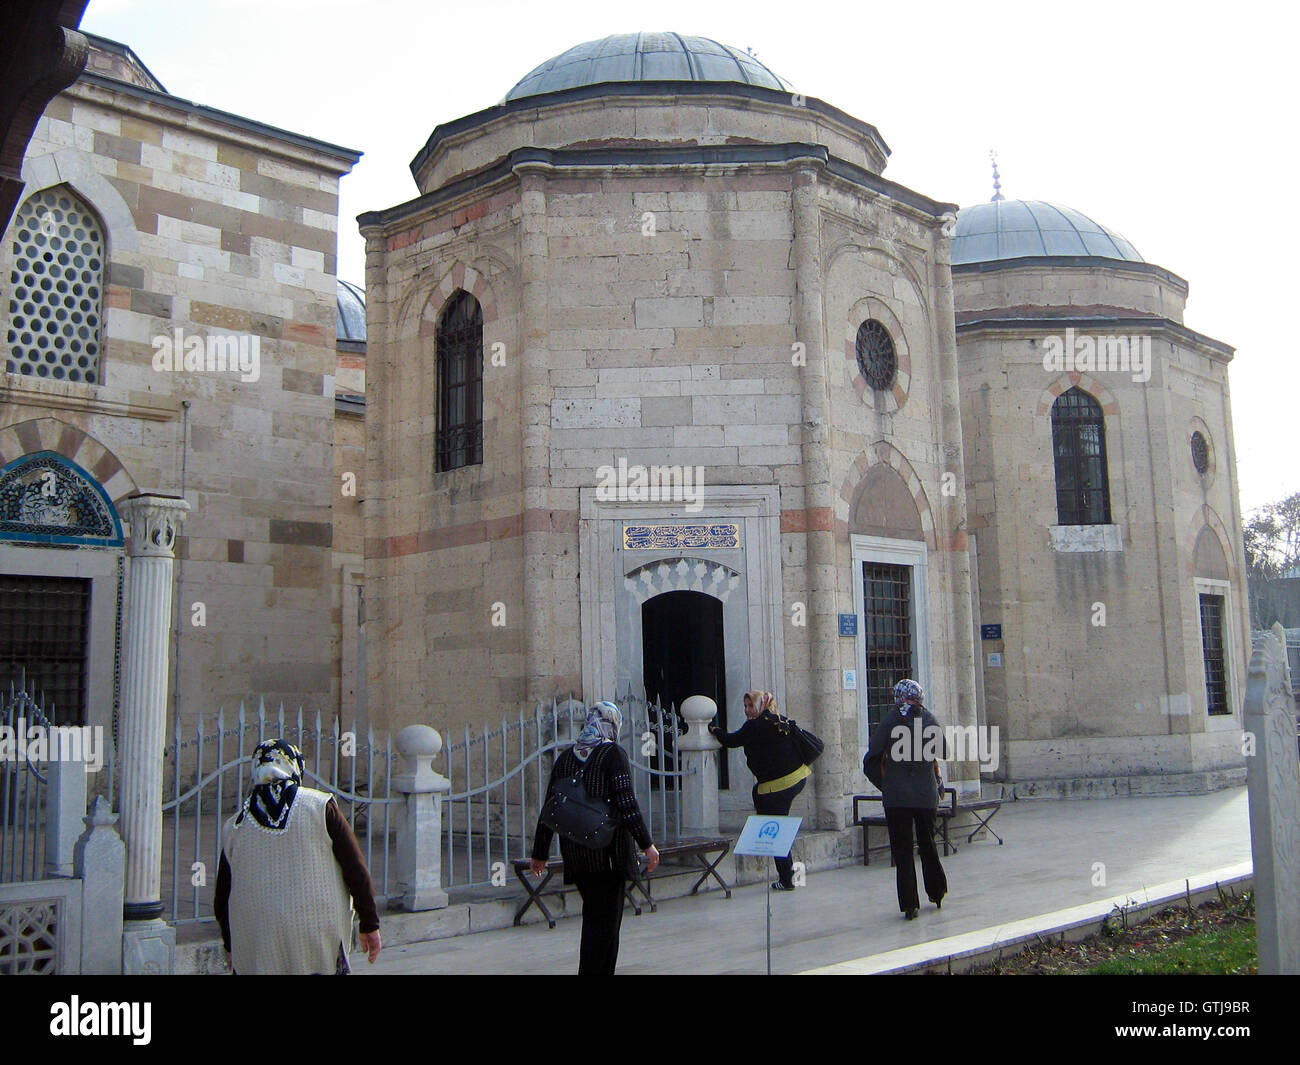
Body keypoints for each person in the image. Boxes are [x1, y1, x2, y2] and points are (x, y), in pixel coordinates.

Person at [214, 738, 381, 974]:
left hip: (258, 938)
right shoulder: (320, 806)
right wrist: (369, 923)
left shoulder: (236, 825)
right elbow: (355, 870)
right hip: (315, 933)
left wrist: (231, 945)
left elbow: (223, 895)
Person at [530, 701, 660, 975]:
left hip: (576, 854)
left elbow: (549, 808)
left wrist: (539, 853)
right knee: (606, 927)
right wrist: (646, 844)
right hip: (607, 853)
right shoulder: (612, 753)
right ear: (613, 724)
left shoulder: (566, 757)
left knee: (593, 920)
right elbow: (626, 802)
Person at [863, 679, 948, 920]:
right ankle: (937, 891)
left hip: (897, 797)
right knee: (928, 844)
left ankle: (910, 905)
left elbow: (872, 756)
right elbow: (943, 750)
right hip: (924, 795)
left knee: (902, 850)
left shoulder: (891, 719)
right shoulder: (929, 718)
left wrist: (885, 783)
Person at [709, 689, 809, 891]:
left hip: (779, 786)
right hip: (797, 778)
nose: (747, 710)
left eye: (750, 706)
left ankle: (787, 880)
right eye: (745, 706)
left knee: (776, 833)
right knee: (776, 824)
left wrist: (715, 731)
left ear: (760, 705)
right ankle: (788, 876)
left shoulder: (755, 725)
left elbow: (731, 741)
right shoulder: (778, 719)